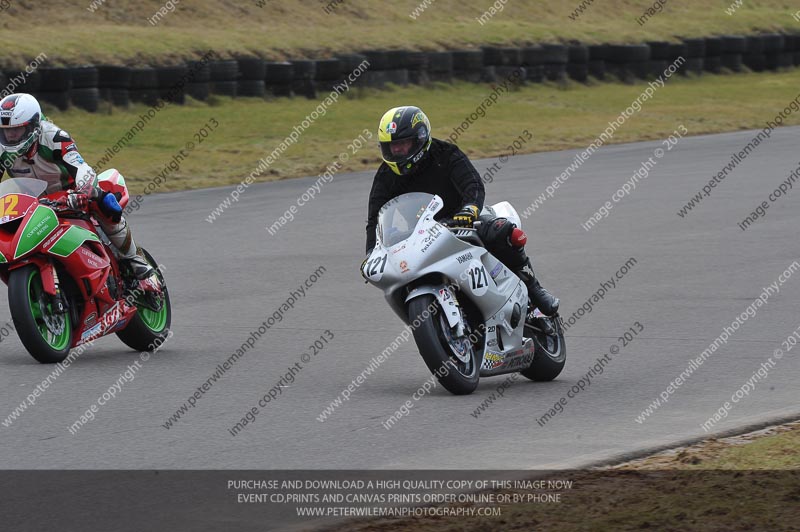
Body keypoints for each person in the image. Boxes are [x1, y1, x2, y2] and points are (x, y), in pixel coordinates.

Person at [364, 105, 559, 316]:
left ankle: (534, 289)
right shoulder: (385, 176)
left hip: (463, 220)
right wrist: (371, 252)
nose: (397, 151)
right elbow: (376, 218)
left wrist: (470, 209)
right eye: (392, 147)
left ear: (420, 138)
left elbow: (473, 184)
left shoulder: (446, 154)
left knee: (502, 231)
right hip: (421, 235)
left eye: (403, 144)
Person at [0, 93, 157, 289]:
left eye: (17, 130)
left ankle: (137, 262)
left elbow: (80, 168)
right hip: (36, 204)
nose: (10, 136)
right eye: (6, 131)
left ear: (33, 125)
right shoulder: (2, 150)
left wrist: (88, 191)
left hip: (72, 194)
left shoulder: (55, 138)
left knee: (105, 204)